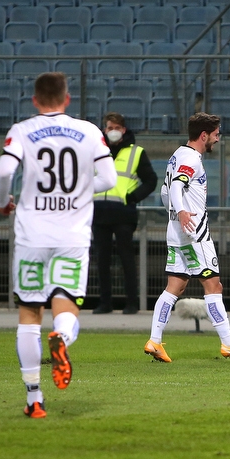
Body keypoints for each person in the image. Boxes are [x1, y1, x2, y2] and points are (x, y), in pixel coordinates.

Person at [0, 71, 118, 419]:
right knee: (66, 305)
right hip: (72, 237)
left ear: (35, 100)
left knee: (30, 314)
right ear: (67, 99)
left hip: (32, 235)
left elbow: (3, 172)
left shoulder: (22, 130)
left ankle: (34, 399)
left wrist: (4, 202)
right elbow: (108, 178)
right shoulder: (89, 131)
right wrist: (79, 191)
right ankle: (61, 338)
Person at [143, 112, 230, 363]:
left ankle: (154, 339)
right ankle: (229, 343)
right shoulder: (191, 159)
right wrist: (183, 211)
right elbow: (174, 187)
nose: (218, 139)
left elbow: (165, 191)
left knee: (175, 286)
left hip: (175, 233)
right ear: (204, 135)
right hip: (195, 233)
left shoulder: (176, 155)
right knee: (213, 285)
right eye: (216, 135)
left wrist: (174, 213)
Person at [91, 111, 158, 315]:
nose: (113, 132)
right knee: (101, 260)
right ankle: (105, 303)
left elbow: (151, 180)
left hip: (123, 213)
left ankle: (131, 303)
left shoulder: (136, 152)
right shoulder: (95, 151)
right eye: (109, 128)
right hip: (98, 212)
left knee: (126, 259)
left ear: (124, 130)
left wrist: (133, 197)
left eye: (116, 128)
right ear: (104, 130)